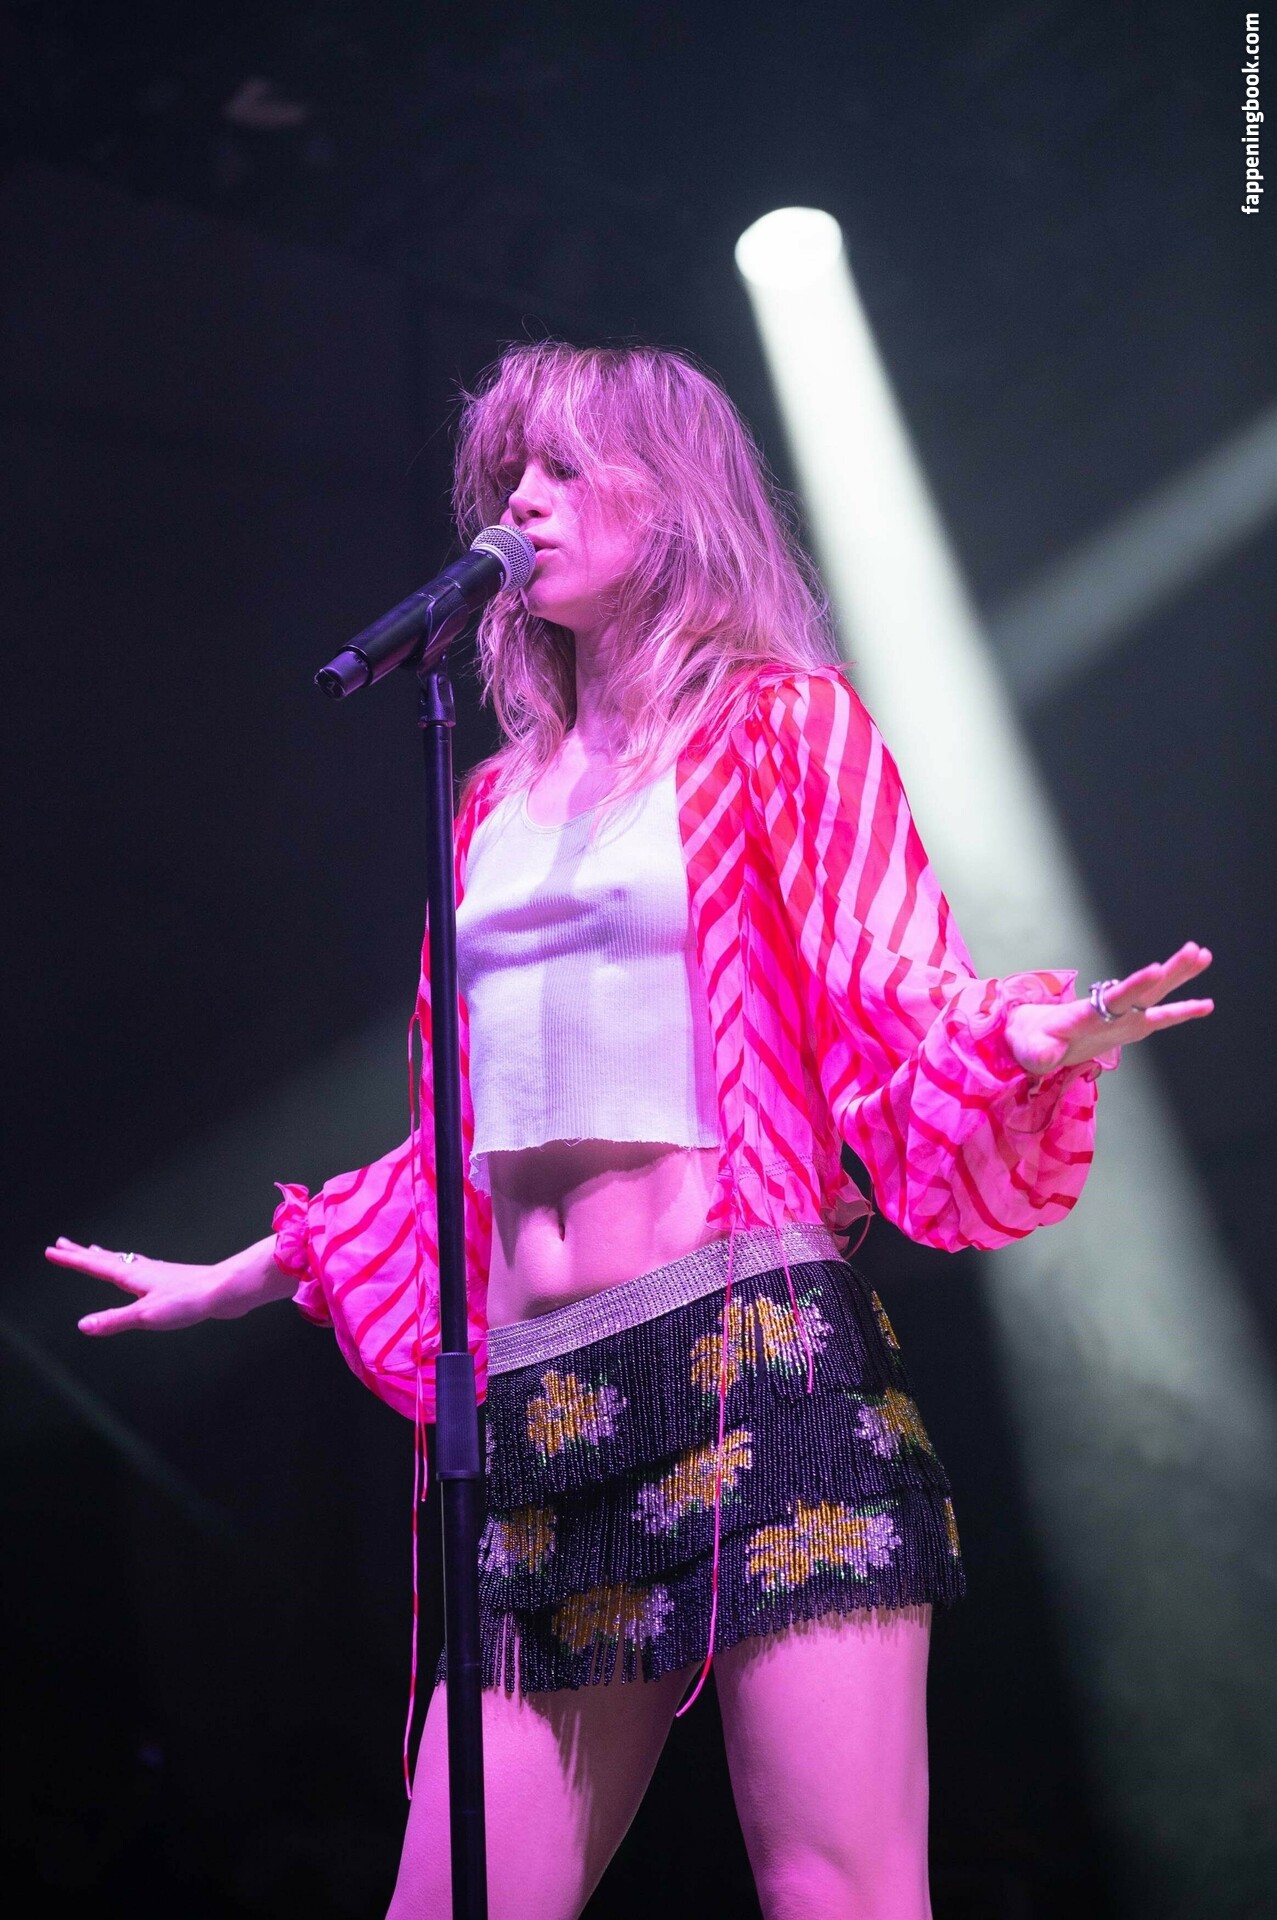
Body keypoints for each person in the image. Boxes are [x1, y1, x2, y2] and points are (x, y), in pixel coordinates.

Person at [47, 343, 1213, 1920]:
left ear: (672, 500)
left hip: (752, 1359)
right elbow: (466, 1133)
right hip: (539, 1401)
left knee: (839, 1891)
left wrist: (1017, 1036)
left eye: (564, 467)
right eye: (506, 475)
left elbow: (892, 979)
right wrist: (252, 1270)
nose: (521, 501)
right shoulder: (490, 800)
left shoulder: (783, 727)